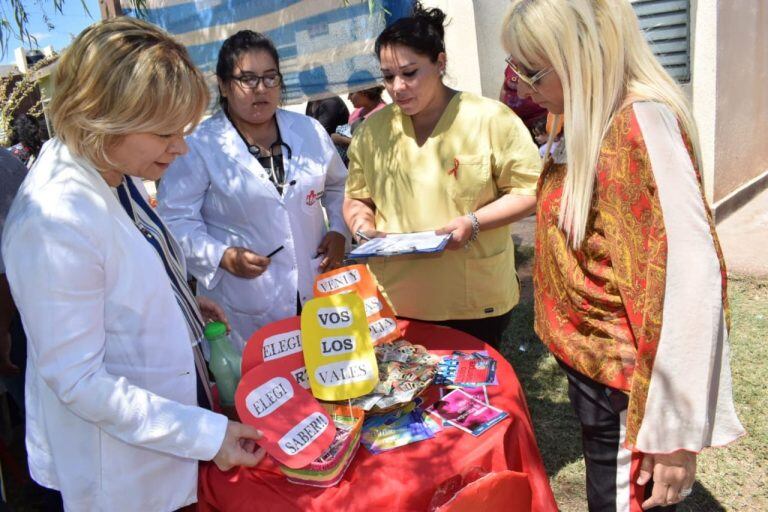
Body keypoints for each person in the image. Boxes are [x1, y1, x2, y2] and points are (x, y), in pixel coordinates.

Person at [1, 18, 266, 511]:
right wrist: (208, 436)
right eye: (166, 132)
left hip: (161, 436)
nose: (181, 147)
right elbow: (80, 381)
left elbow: (124, 274)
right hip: (124, 473)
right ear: (103, 117)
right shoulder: (55, 221)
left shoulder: (110, 170)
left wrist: (181, 303)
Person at [502, 1, 745, 511]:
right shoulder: (581, 114)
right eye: (515, 70)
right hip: (595, 368)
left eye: (532, 72)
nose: (522, 87)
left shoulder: (640, 124)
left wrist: (673, 434)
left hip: (626, 387)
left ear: (582, 58)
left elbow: (685, 281)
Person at [343, 2, 541, 347]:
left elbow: (528, 192)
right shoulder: (372, 131)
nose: (398, 87)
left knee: (472, 395)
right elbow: (357, 196)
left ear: (440, 62)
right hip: (396, 298)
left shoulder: (490, 119)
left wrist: (474, 222)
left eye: (409, 72)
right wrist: (362, 227)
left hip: (472, 299)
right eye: (388, 77)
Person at [157, 30, 348, 343]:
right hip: (245, 303)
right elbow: (174, 220)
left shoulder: (309, 130)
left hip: (315, 287)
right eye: (247, 79)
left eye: (270, 77)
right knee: (264, 383)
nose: (262, 89)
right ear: (223, 85)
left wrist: (339, 229)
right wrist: (222, 255)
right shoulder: (199, 145)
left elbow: (339, 187)